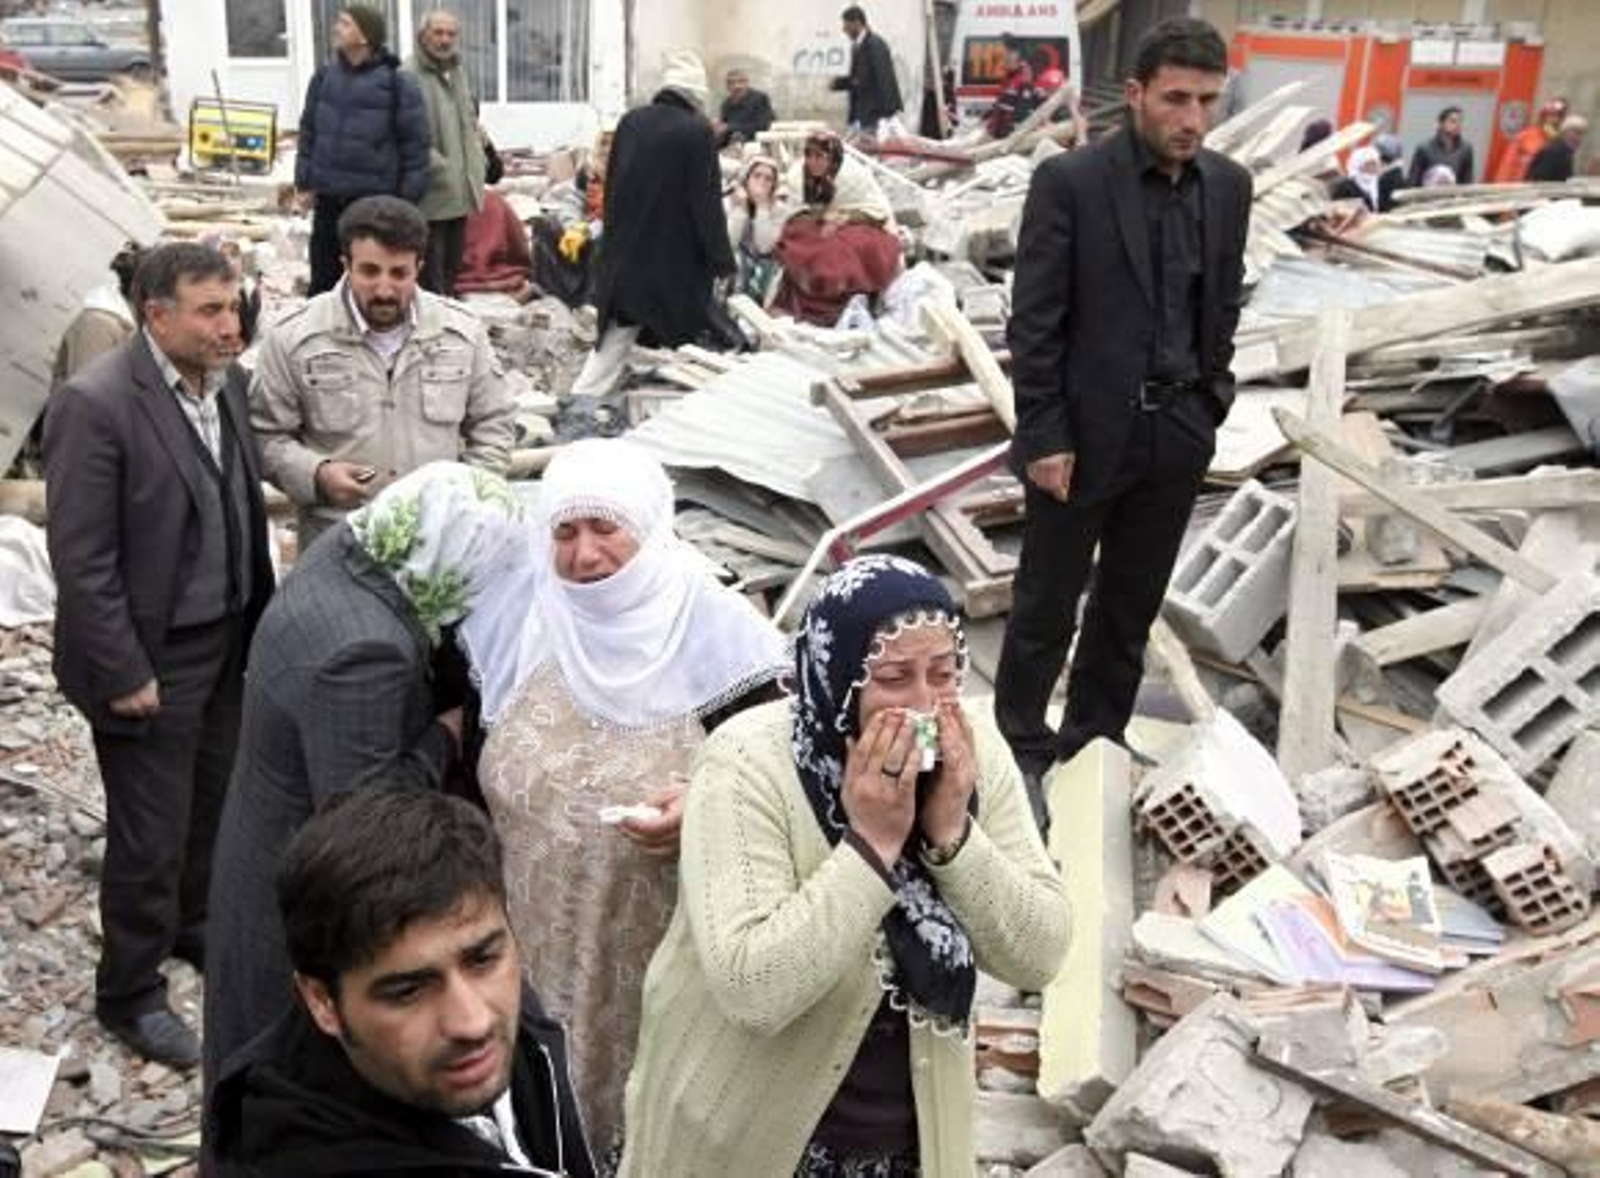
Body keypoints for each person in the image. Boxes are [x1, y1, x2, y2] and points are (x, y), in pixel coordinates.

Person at [617, 554, 1071, 1177]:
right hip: (750, 1138)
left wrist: (951, 834)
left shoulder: (972, 749)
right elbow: (754, 987)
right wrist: (872, 847)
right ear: (838, 678)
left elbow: (1039, 952)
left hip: (907, 1143)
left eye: (943, 674)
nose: (923, 706)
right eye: (892, 678)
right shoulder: (748, 764)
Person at [459, 437, 787, 1155]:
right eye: (565, 532)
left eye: (606, 529)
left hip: (656, 960)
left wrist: (703, 805)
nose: (583, 557)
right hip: (525, 947)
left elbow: (782, 777)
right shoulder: (524, 621)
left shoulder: (718, 634)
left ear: (649, 526)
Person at [202, 461, 528, 1107]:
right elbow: (366, 810)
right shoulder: (364, 650)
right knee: (297, 1081)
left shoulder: (353, 553)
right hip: (299, 885)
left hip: (259, 834)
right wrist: (445, 735)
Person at [998, 17, 1251, 826]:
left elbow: (1221, 307)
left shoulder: (1228, 186)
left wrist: (1211, 402)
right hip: (1081, 439)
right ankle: (1019, 747)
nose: (1193, 119)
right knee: (1046, 602)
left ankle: (1093, 739)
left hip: (1175, 435)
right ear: (1136, 94)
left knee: (1129, 606)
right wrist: (1043, 433)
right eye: (1176, 99)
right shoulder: (1070, 183)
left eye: (1207, 101)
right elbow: (1035, 322)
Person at [43, 244, 274, 1067]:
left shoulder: (226, 385)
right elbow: (82, 558)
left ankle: (193, 925)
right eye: (210, 311)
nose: (229, 324)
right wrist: (123, 671)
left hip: (226, 636)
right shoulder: (96, 404)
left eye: (233, 307)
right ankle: (129, 992)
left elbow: (236, 500)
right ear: (157, 314)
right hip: (150, 657)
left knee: (212, 801)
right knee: (150, 829)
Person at [207, 787, 596, 1177]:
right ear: (322, 1001)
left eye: (482, 960)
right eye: (408, 991)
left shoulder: (511, 1036)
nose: (472, 1022)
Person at [251, 195, 516, 552]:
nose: (385, 289)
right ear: (346, 264)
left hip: (436, 542)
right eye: (370, 272)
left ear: (418, 267)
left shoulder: (461, 333)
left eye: (399, 273)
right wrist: (317, 474)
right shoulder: (294, 338)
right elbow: (265, 435)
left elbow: (494, 425)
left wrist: (464, 500)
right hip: (338, 541)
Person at [571, 51, 734, 399]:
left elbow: (612, 187)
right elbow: (706, 205)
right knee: (689, 346)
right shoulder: (696, 132)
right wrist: (722, 260)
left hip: (625, 256)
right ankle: (684, 411)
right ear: (696, 96)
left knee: (614, 340)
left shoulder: (631, 122)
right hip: (674, 262)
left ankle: (579, 402)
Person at [295, 5, 430, 296]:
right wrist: (304, 182)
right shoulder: (323, 78)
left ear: (365, 37)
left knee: (368, 280)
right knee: (323, 280)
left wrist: (405, 203)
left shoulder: (398, 84)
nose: (336, 28)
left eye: (345, 24)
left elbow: (416, 148)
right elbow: (308, 132)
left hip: (373, 203)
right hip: (329, 200)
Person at [773, 130, 902, 326]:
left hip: (854, 222)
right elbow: (796, 210)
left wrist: (845, 217)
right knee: (806, 245)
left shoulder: (852, 174)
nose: (814, 162)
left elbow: (874, 210)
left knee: (849, 248)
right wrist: (823, 218)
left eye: (820, 156)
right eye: (809, 155)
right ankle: (815, 304)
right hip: (813, 223)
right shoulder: (797, 175)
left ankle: (849, 300)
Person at [405, 9, 486, 297]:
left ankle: (447, 324)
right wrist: (441, 168)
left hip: (458, 191)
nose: (444, 40)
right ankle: (430, 331)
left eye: (451, 34)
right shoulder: (408, 75)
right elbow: (406, 135)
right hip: (430, 192)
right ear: (423, 35)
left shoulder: (456, 71)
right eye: (438, 33)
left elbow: (467, 119)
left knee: (452, 267)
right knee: (430, 272)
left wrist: (479, 153)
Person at [831, 5, 903, 138]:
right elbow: (858, 79)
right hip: (863, 115)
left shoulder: (875, 45)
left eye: (846, 25)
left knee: (869, 153)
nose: (844, 30)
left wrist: (884, 116)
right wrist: (839, 83)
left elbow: (883, 80)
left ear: (857, 23)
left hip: (874, 116)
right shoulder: (859, 45)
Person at [726, 154, 785, 303]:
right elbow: (729, 244)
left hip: (766, 266)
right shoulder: (731, 201)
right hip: (738, 263)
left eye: (768, 179)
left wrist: (762, 206)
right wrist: (742, 208)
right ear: (747, 178)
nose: (761, 182)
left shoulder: (778, 209)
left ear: (774, 185)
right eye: (756, 176)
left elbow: (764, 247)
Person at [456, 189, 535, 300]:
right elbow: (521, 251)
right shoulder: (494, 200)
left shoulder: (435, 203)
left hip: (456, 287)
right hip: (503, 283)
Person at [1494, 97, 1568, 184]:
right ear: (1543, 117)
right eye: (1551, 115)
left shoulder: (1560, 146)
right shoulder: (1525, 137)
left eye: (1559, 116)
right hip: (1517, 189)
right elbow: (1507, 167)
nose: (1555, 120)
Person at [984, 34, 1038, 140]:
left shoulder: (1025, 78)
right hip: (997, 134)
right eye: (1006, 52)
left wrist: (1001, 134)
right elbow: (1002, 104)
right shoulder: (1010, 77)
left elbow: (1021, 115)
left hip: (1007, 138)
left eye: (1009, 52)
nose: (1005, 57)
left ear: (1019, 55)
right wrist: (986, 117)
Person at [1408, 106, 1474, 187]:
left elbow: (1467, 180)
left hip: (1452, 196)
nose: (1458, 125)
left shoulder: (1466, 149)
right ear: (1440, 123)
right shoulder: (1424, 148)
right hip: (1427, 196)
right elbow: (1413, 179)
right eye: (1452, 121)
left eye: (1460, 121)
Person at [715, 67, 776, 148]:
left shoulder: (759, 99)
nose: (737, 86)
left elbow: (763, 125)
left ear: (747, 83)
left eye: (741, 81)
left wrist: (730, 127)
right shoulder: (726, 104)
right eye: (732, 83)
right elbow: (724, 132)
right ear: (727, 87)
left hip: (758, 146)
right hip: (733, 147)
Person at [1331, 143, 1400, 213]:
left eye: (1377, 162)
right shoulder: (1346, 188)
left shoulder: (1380, 181)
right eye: (1372, 163)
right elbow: (1338, 209)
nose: (1377, 166)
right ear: (1360, 166)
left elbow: (1387, 203)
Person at [1528, 114, 1589, 183]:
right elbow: (1540, 180)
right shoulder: (1555, 152)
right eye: (1576, 133)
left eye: (1582, 134)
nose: (1579, 139)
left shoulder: (1565, 152)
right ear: (1565, 132)